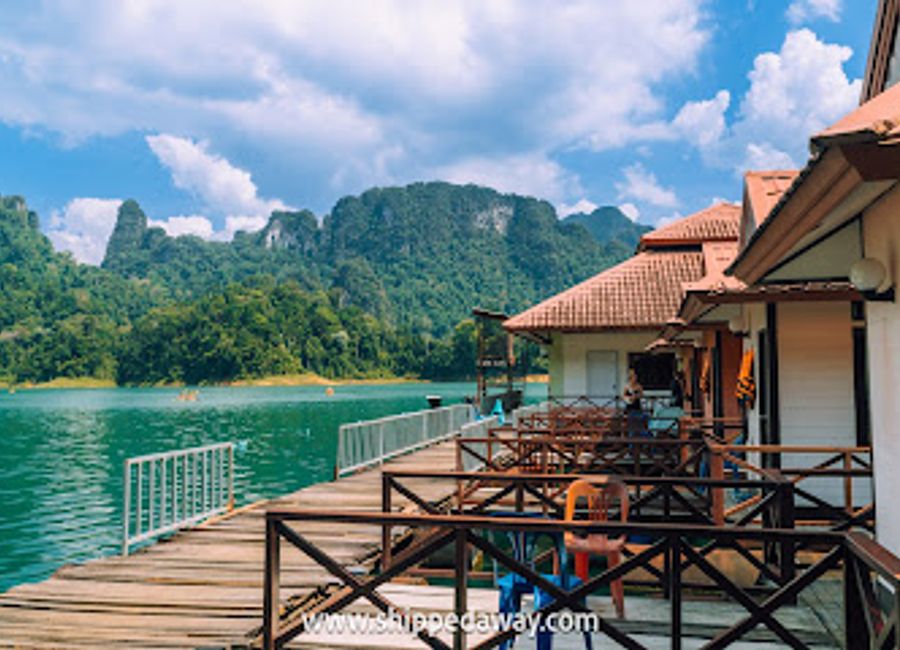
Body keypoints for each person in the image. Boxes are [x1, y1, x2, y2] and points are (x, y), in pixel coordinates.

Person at [623, 369, 645, 435]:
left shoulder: (639, 386)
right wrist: (629, 398)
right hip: (629, 406)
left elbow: (642, 395)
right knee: (630, 422)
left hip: (637, 406)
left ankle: (639, 435)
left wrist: (636, 396)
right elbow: (623, 396)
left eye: (635, 377)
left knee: (639, 421)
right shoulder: (627, 387)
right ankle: (631, 435)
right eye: (633, 377)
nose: (635, 378)